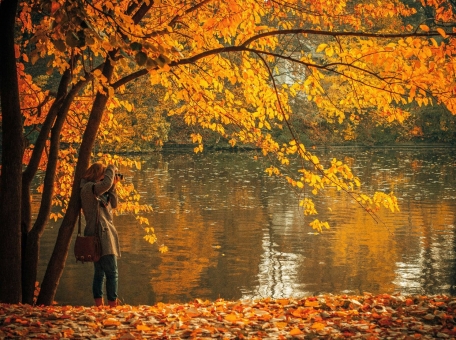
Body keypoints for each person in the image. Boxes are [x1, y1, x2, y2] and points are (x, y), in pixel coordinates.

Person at [80, 163, 121, 307]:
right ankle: (112, 305)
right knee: (112, 272)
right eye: (104, 174)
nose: (106, 177)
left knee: (100, 272)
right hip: (99, 235)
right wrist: (112, 167)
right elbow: (106, 183)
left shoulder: (101, 192)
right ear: (97, 174)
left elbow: (114, 204)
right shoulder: (88, 188)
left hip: (104, 234)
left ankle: (100, 306)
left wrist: (113, 186)